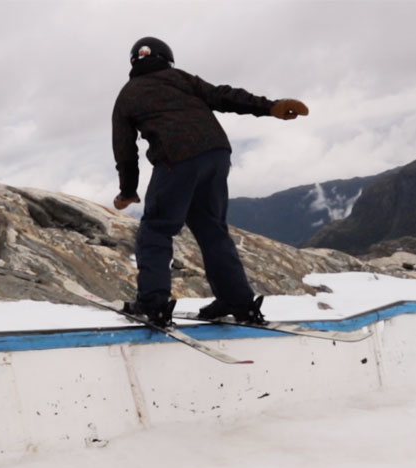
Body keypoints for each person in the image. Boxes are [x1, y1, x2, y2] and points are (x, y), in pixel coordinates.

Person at [111, 36, 308, 327]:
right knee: (212, 230)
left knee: (156, 230)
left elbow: (125, 150)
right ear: (167, 59)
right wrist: (270, 107)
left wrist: (127, 190)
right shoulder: (180, 78)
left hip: (176, 160)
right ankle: (238, 302)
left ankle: (153, 304)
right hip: (216, 153)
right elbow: (223, 96)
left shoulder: (127, 95)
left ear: (133, 62)